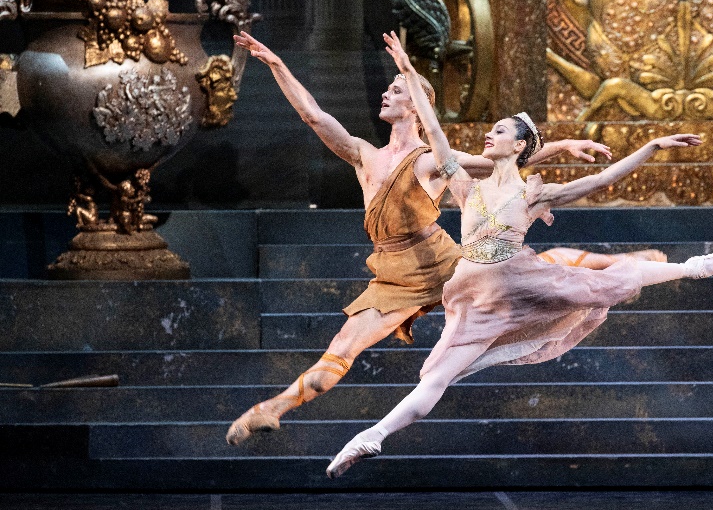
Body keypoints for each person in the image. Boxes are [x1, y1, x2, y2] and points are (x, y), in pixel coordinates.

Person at [324, 33, 713, 478]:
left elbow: (600, 181)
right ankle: (372, 436)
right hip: (472, 293)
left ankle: (692, 267)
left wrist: (651, 147)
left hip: (517, 278)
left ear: (520, 146)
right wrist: (408, 72)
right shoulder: (466, 184)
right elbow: (438, 136)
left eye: (500, 130)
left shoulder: (532, 195)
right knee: (434, 379)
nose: (490, 134)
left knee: (606, 281)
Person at [225, 31, 651, 445]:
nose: (386, 94)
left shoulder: (429, 160)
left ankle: (626, 266)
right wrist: (277, 63)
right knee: (342, 347)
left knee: (533, 268)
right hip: (393, 277)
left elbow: (499, 161)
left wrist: (560, 145)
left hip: (443, 262)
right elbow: (313, 115)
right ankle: (272, 409)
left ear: (417, 105)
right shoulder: (363, 154)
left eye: (396, 89)